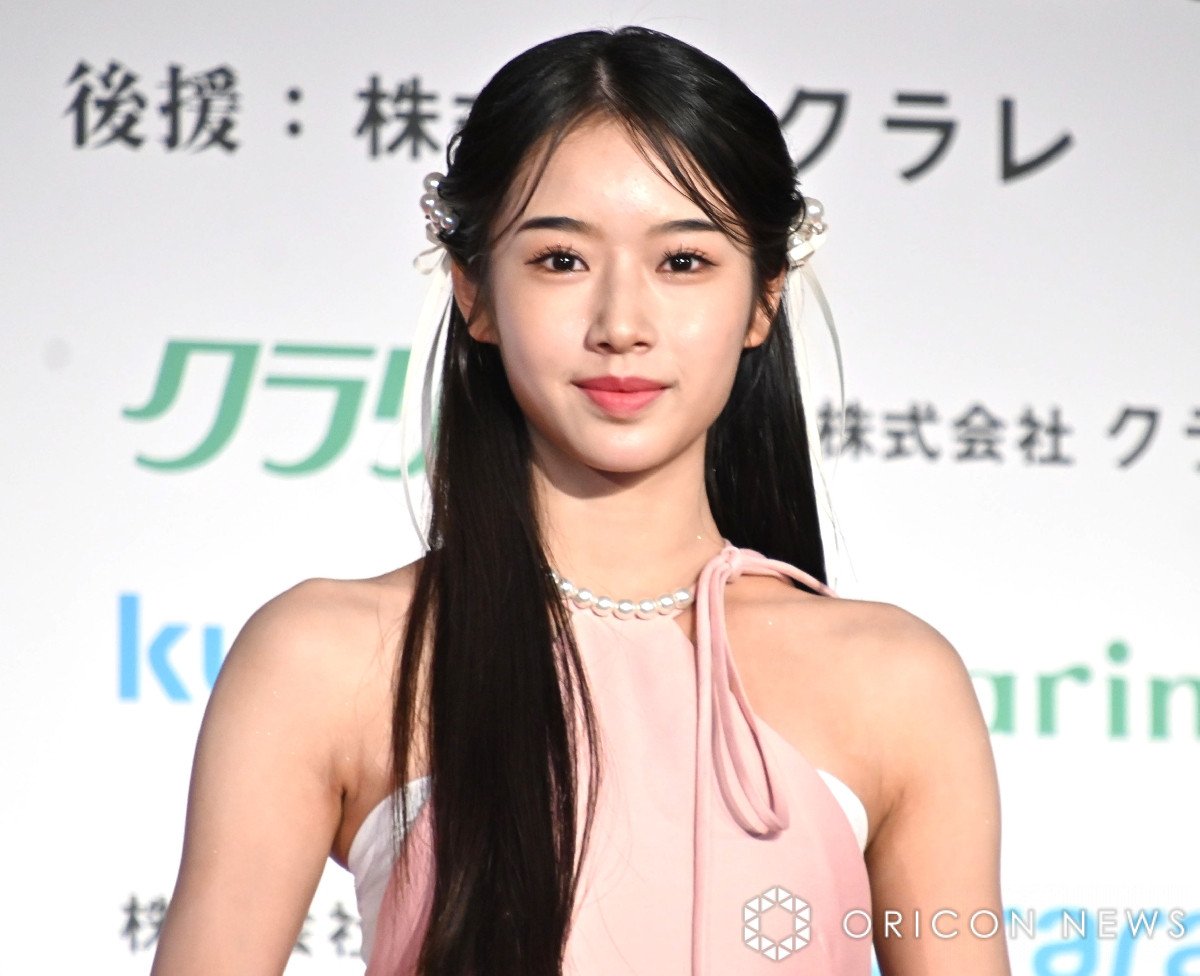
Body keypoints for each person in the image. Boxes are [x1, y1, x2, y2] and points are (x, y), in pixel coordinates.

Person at [151, 25, 1009, 976]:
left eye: (683, 262)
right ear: (474, 291)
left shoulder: (894, 682)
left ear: (764, 299)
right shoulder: (328, 657)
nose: (621, 325)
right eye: (561, 260)